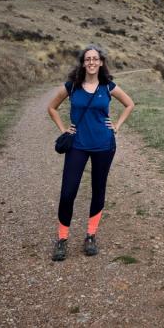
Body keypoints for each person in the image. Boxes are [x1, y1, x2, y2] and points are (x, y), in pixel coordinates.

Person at [46, 44, 134, 261]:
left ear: (101, 62)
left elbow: (130, 104)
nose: (92, 62)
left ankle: (91, 235)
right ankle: (62, 239)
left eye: (95, 59)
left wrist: (117, 126)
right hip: (77, 145)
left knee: (98, 189)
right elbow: (51, 108)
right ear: (83, 63)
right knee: (68, 192)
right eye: (88, 59)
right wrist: (64, 129)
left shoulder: (108, 87)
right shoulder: (72, 87)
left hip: (104, 145)